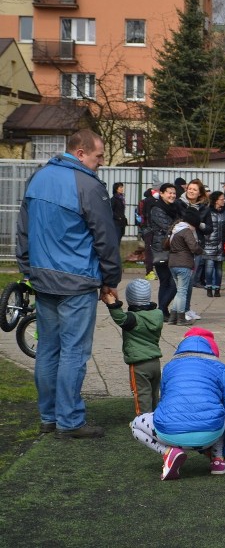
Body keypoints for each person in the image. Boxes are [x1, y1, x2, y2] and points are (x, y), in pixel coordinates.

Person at [16, 129, 121, 439]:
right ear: (80, 153)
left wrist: (27, 268)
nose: (102, 161)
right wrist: (110, 279)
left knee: (48, 349)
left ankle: (49, 417)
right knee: (74, 352)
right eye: (99, 156)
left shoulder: (38, 177)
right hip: (77, 280)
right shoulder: (88, 185)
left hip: (42, 277)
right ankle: (70, 420)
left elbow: (23, 229)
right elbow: (105, 237)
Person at [130, 328, 225, 480]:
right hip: (211, 433)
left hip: (169, 433)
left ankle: (167, 452)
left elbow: (165, 401)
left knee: (136, 424)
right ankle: (218, 460)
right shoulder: (220, 368)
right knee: (222, 410)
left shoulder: (170, 367)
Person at [103, 279, 163, 415]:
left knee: (141, 394)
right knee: (154, 393)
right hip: (155, 362)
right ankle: (155, 418)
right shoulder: (158, 314)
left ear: (130, 299)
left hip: (139, 364)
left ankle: (143, 421)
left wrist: (112, 304)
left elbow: (121, 318)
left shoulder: (133, 318)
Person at [178, 178, 210, 319]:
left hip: (196, 247)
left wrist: (199, 225)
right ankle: (180, 310)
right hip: (181, 248)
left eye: (194, 190)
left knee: (190, 280)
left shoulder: (204, 208)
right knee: (183, 281)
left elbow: (209, 228)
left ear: (200, 193)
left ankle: (187, 308)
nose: (191, 191)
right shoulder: (179, 204)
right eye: (190, 188)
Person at [148, 183, 180, 319]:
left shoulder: (174, 207)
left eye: (174, 193)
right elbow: (169, 226)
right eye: (169, 193)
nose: (172, 195)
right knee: (169, 281)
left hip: (173, 248)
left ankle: (162, 310)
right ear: (161, 193)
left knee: (170, 282)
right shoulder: (157, 209)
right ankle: (161, 309)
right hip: (161, 249)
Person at [167, 209, 203, 326]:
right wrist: (200, 250)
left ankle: (173, 317)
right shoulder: (186, 231)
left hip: (173, 263)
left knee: (179, 291)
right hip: (184, 264)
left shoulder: (175, 229)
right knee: (182, 292)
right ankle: (181, 318)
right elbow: (193, 247)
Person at [201, 191, 225, 298]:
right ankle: (209, 287)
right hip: (209, 244)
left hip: (221, 244)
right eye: (222, 199)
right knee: (209, 267)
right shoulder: (207, 212)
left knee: (219, 269)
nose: (224, 201)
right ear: (216, 200)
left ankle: (217, 288)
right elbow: (200, 224)